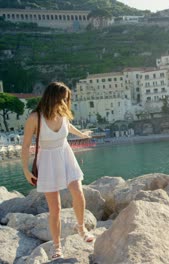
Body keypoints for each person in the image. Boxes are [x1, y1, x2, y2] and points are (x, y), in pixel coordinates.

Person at [21, 82, 95, 260]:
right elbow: (25, 146)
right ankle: (57, 246)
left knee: (78, 192)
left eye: (66, 99)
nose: (65, 102)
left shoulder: (63, 113)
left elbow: (68, 127)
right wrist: (25, 169)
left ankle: (81, 227)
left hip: (66, 156)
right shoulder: (34, 118)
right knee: (55, 208)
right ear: (52, 97)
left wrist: (82, 135)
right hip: (47, 162)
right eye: (63, 98)